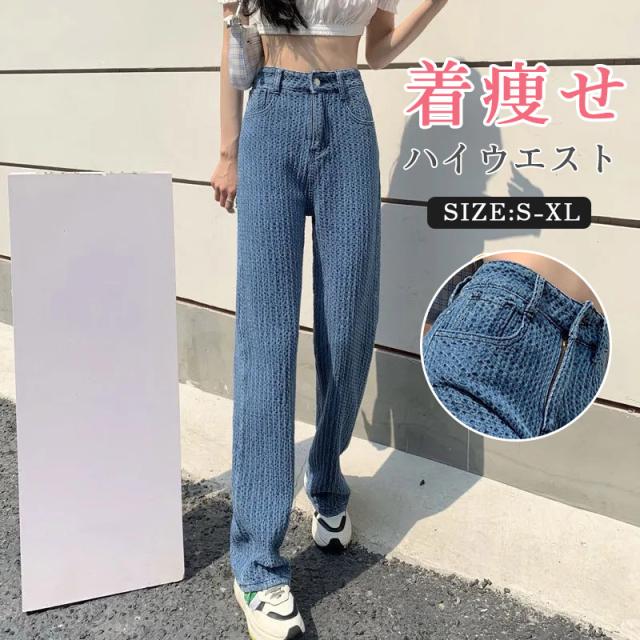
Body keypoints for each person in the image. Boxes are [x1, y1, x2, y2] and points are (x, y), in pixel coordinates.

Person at [211, 1, 449, 637]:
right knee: (266, 338)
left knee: (349, 325)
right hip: (271, 115)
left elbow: (379, 49)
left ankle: (327, 478)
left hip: (348, 116)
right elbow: (232, 38)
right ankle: (256, 563)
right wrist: (229, 150)